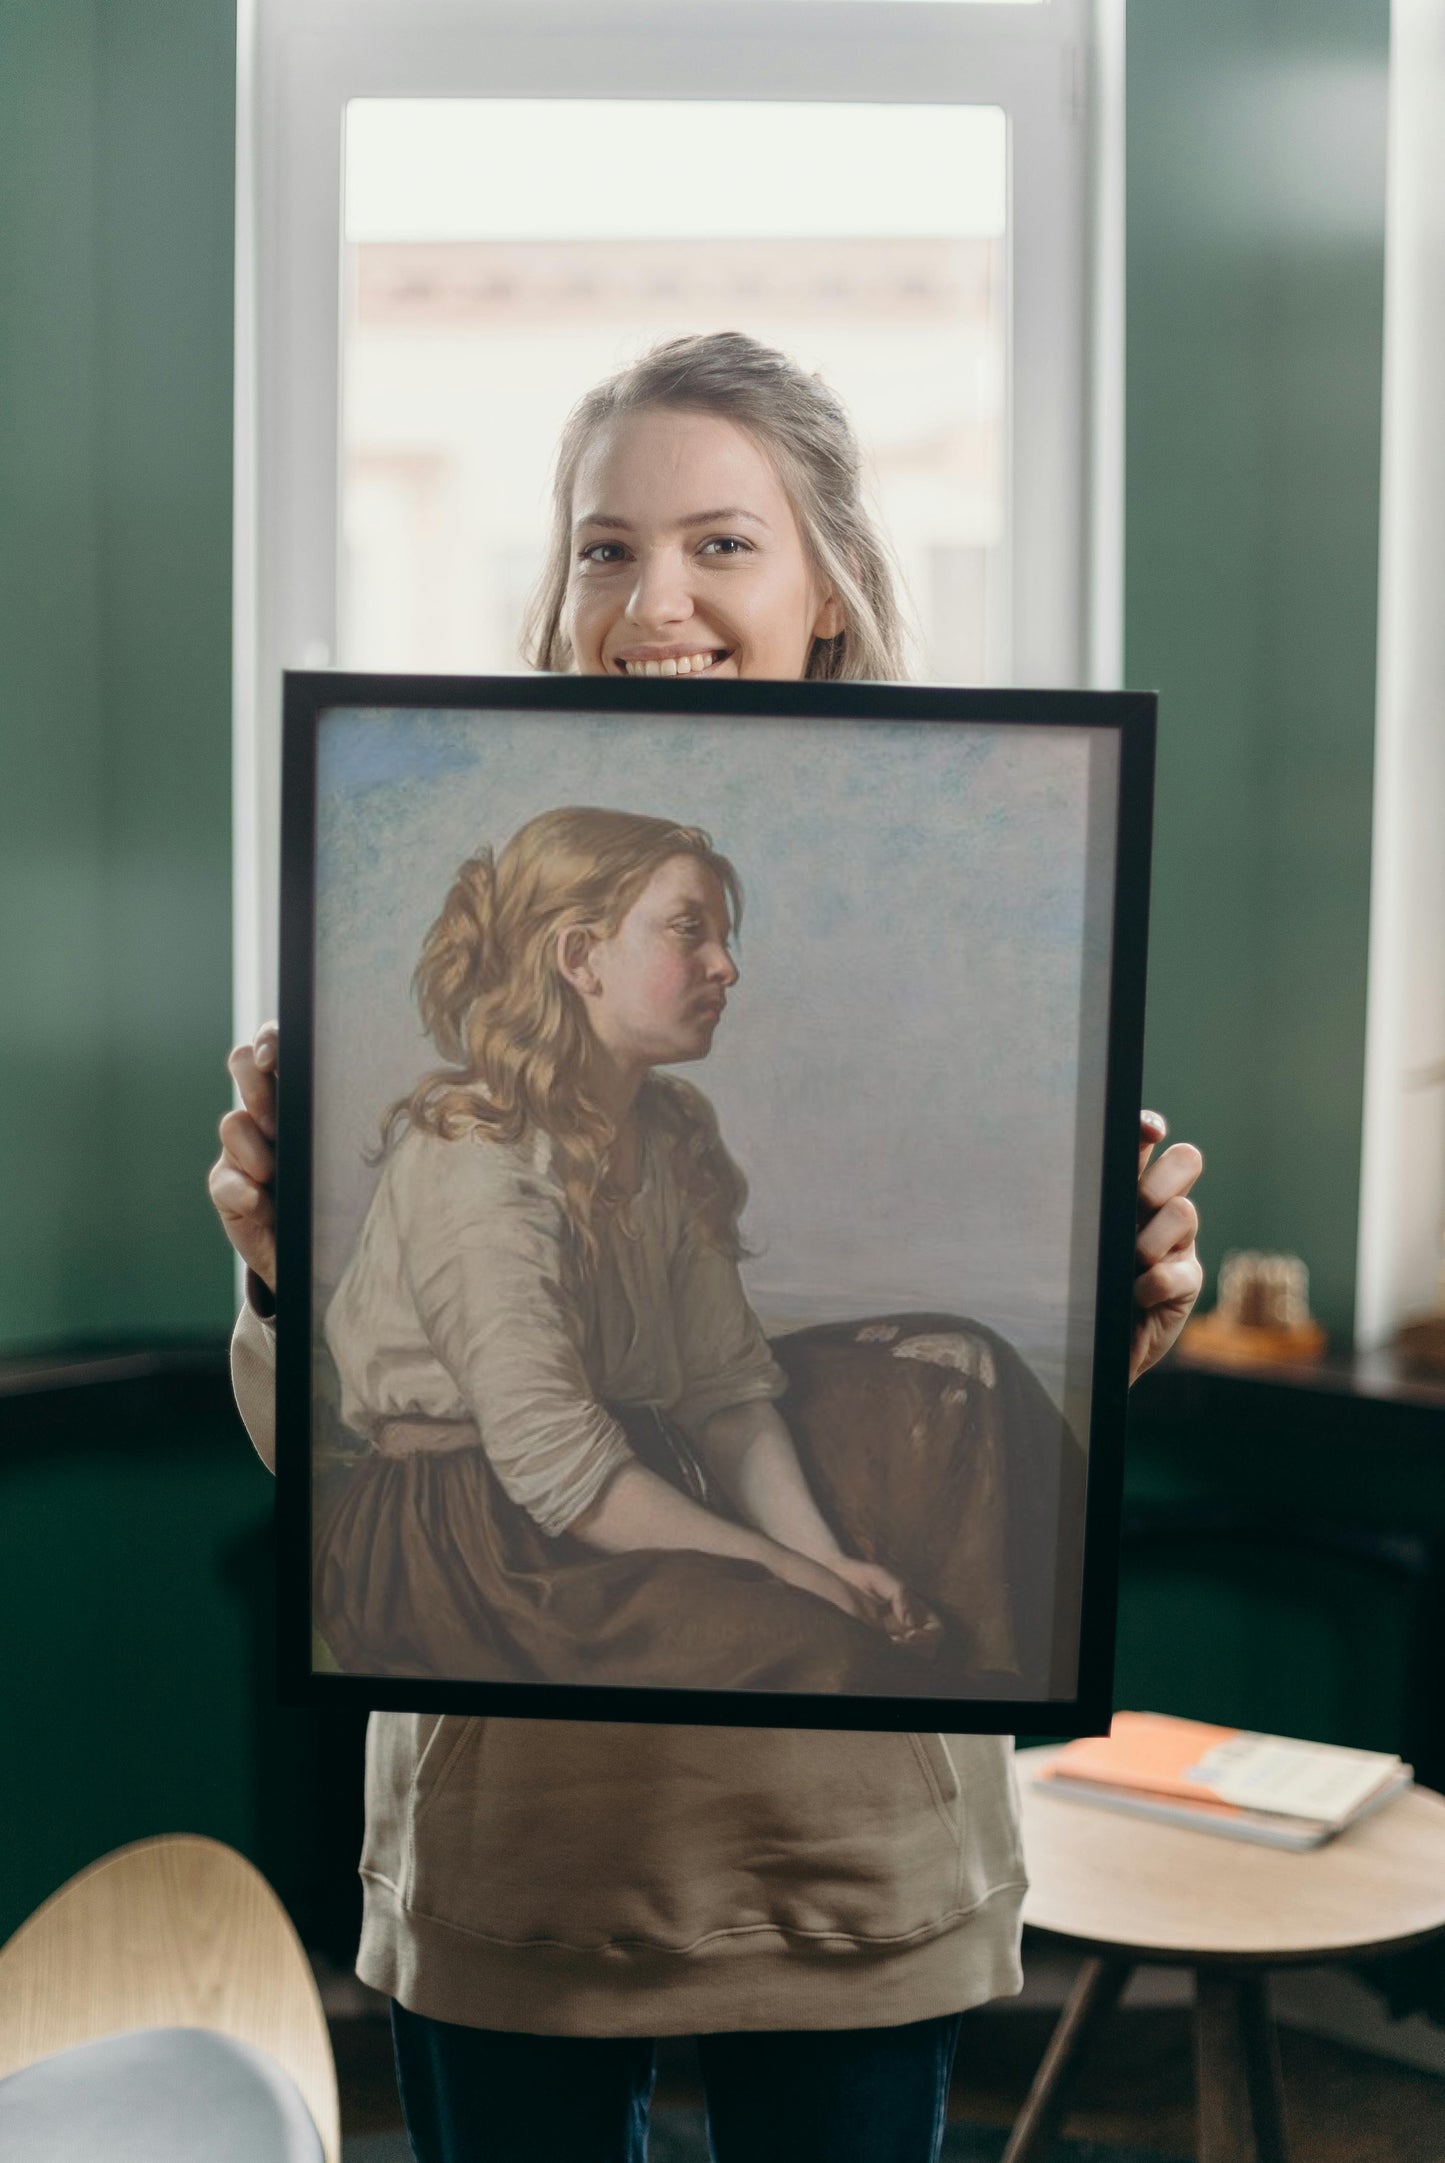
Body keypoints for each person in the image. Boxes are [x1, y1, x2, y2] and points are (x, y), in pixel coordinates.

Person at [211, 332, 1204, 2163]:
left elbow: (727, 1381)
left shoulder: (688, 1113)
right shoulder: (449, 1123)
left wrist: (1119, 1289)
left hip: (844, 1860)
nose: (651, 595)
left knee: (952, 1373)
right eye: (605, 546)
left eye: (720, 543)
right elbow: (428, 1461)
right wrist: (278, 1273)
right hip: (530, 1827)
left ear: (827, 586)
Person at [316, 803, 964, 1697]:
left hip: (621, 1491)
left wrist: (822, 1560)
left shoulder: (665, 1136)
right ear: (578, 956)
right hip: (469, 1544)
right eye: (687, 933)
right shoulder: (476, 1153)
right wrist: (786, 1577)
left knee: (953, 1371)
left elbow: (722, 1392)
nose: (725, 967)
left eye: (722, 938)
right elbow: (554, 1464)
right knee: (815, 1653)